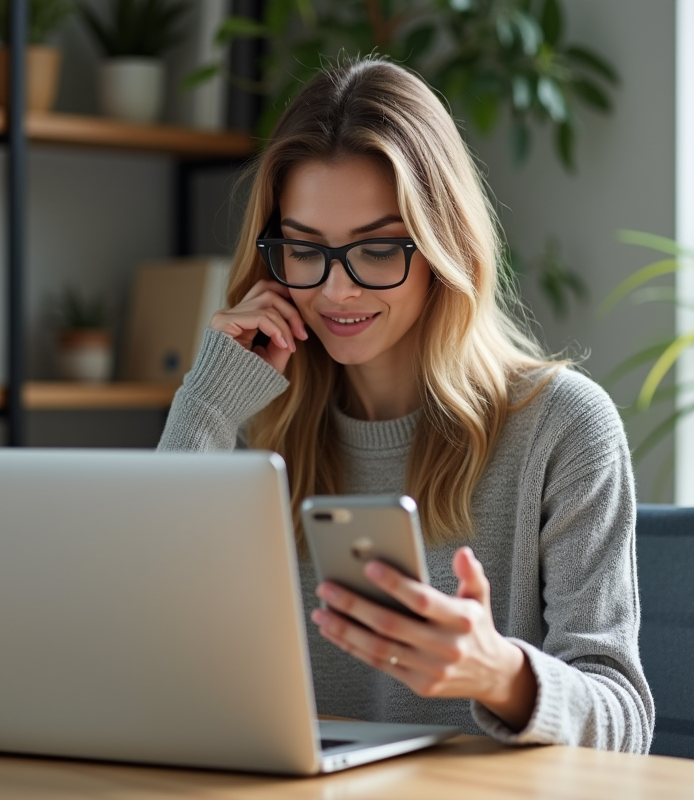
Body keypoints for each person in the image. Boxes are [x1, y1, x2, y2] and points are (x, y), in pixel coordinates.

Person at [158, 57, 653, 752]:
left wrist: (498, 674)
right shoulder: (249, 423)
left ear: (443, 248)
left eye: (378, 249)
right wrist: (208, 399)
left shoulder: (562, 425)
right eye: (304, 250)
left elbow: (624, 720)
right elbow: (146, 637)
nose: (335, 292)